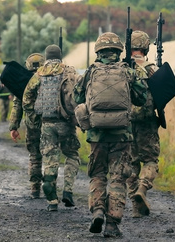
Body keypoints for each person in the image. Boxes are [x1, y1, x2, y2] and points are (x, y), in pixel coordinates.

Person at [73, 32, 147, 237]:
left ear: (98, 51)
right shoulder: (128, 72)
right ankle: (112, 224)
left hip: (96, 135)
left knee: (97, 175)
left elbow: (76, 97)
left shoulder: (89, 72)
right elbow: (142, 98)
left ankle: (97, 210)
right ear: (118, 51)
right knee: (117, 178)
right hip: (122, 135)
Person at [22, 45, 81, 212]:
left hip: (46, 124)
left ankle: (52, 199)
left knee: (50, 158)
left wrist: (35, 115)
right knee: (72, 155)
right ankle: (68, 190)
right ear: (60, 56)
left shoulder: (38, 73)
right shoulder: (68, 71)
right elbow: (79, 90)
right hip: (65, 122)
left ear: (46, 57)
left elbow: (26, 98)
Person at [126, 30, 161, 218]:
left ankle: (135, 207)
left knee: (131, 163)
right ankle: (143, 187)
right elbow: (162, 96)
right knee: (150, 160)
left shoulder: (123, 68)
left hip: (127, 122)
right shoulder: (152, 69)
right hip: (147, 123)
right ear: (145, 47)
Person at [9, 53, 45, 198]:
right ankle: (50, 187)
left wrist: (13, 126)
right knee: (49, 156)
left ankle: (35, 188)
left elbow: (17, 104)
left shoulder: (23, 81)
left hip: (31, 124)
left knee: (35, 156)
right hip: (49, 122)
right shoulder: (49, 79)